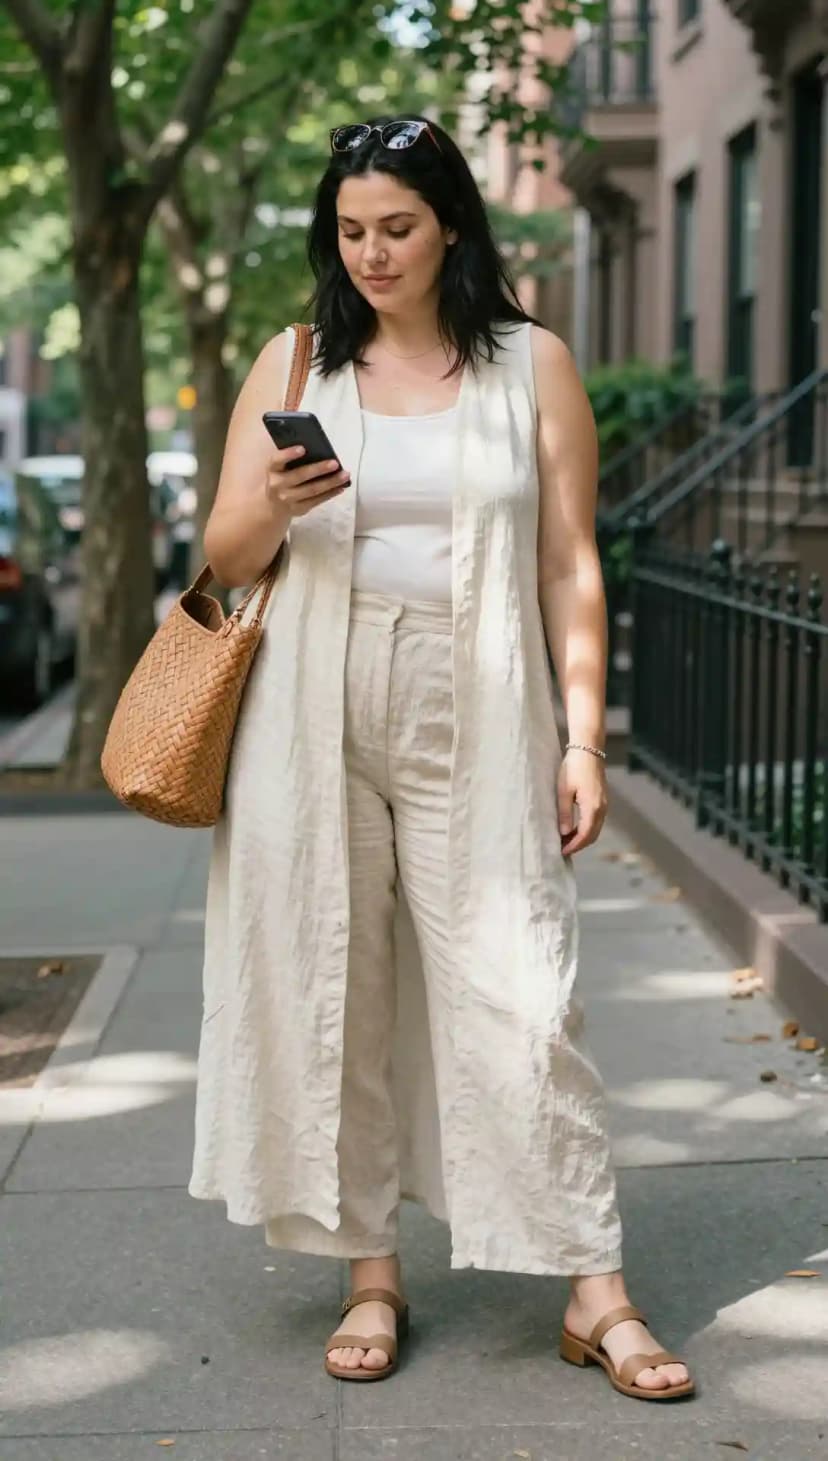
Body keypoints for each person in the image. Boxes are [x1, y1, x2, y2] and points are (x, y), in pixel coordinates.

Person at [190, 114, 694, 1400]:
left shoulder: (532, 364)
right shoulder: (296, 360)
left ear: (451, 226)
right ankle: (373, 1273)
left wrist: (583, 736)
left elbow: (571, 564)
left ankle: (595, 1288)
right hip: (309, 701)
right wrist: (272, 501)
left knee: (526, 988)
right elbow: (226, 557)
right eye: (351, 231)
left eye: (398, 228)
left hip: (480, 694)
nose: (372, 253)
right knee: (335, 982)